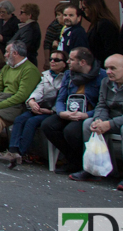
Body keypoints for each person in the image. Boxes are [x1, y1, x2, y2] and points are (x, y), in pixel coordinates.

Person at [70, 54, 123, 191]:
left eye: (113, 68)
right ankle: (94, 168)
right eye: (107, 68)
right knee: (89, 124)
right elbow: (102, 105)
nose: (108, 72)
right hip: (117, 119)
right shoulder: (106, 82)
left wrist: (109, 124)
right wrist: (99, 120)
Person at [40, 47, 105, 175]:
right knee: (47, 125)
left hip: (88, 114)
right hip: (69, 111)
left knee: (71, 131)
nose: (68, 62)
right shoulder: (69, 75)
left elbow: (103, 104)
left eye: (71, 59)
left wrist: (87, 115)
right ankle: (72, 158)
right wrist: (61, 112)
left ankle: (79, 162)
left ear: (82, 62)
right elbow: (61, 98)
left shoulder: (101, 76)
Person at [0, 49, 68, 168]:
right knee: (20, 119)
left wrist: (51, 110)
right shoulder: (46, 75)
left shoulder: (66, 78)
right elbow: (38, 90)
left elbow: (63, 98)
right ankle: (12, 151)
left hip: (52, 111)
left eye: (56, 60)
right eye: (51, 59)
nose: (52, 62)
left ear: (65, 63)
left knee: (31, 122)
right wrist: (31, 101)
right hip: (38, 108)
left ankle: (20, 153)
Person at [81, 0, 123, 67]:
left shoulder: (104, 24)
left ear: (92, 8)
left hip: (103, 66)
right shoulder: (96, 23)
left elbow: (110, 48)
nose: (83, 10)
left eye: (84, 8)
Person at [43, 2, 70, 69]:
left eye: (58, 15)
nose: (57, 17)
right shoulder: (54, 26)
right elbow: (47, 43)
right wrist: (47, 60)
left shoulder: (71, 29)